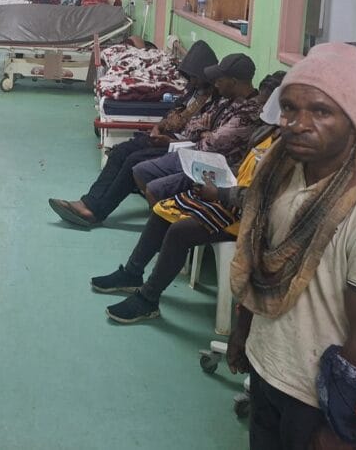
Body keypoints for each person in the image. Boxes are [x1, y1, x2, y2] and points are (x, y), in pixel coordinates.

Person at [227, 43, 356, 449]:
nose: (297, 123)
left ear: (352, 121)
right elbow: (258, 264)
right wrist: (242, 333)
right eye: (290, 108)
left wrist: (337, 428)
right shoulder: (279, 173)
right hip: (267, 367)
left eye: (321, 111)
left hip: (318, 401)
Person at [91, 81, 284, 323]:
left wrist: (221, 194)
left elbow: (263, 198)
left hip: (250, 215)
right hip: (233, 194)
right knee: (165, 209)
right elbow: (244, 166)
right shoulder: (267, 133)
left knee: (181, 230)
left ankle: (149, 299)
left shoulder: (286, 155)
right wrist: (219, 174)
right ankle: (132, 273)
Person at [47, 41, 221, 227]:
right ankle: (88, 202)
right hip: (168, 138)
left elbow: (204, 140)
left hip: (183, 148)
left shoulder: (216, 102)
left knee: (134, 161)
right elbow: (174, 112)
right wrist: (159, 127)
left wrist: (169, 142)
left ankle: (96, 211)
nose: (192, 81)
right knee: (121, 151)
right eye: (191, 77)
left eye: (195, 77)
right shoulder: (194, 91)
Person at [129, 54, 267, 207]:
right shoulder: (225, 100)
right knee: (140, 171)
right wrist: (204, 132)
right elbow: (191, 125)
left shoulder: (250, 112)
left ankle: (167, 220)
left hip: (217, 166)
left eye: (220, 80)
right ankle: (165, 214)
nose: (216, 84)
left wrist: (204, 134)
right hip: (195, 152)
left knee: (153, 189)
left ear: (233, 82)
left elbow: (211, 144)